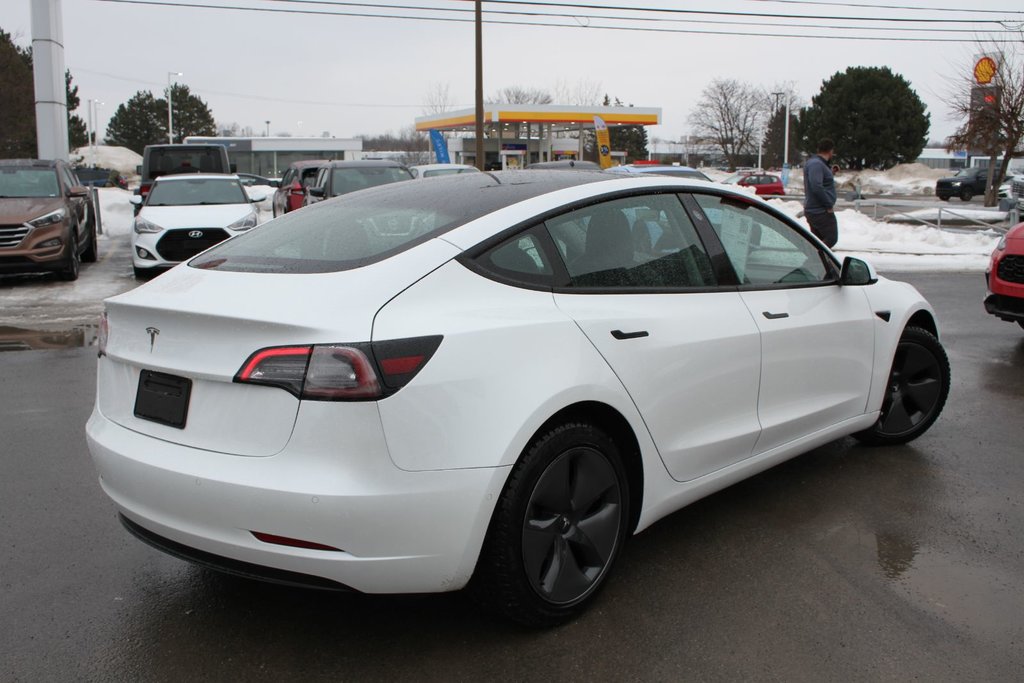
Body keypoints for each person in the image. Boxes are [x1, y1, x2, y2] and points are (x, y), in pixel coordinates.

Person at [803, 138, 838, 248]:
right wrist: (828, 205)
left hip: (815, 209)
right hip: (819, 210)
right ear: (831, 151)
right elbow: (816, 186)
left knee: (817, 242)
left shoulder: (817, 163)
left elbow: (819, 181)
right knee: (831, 239)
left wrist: (831, 173)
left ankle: (816, 262)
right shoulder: (816, 164)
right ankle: (812, 260)